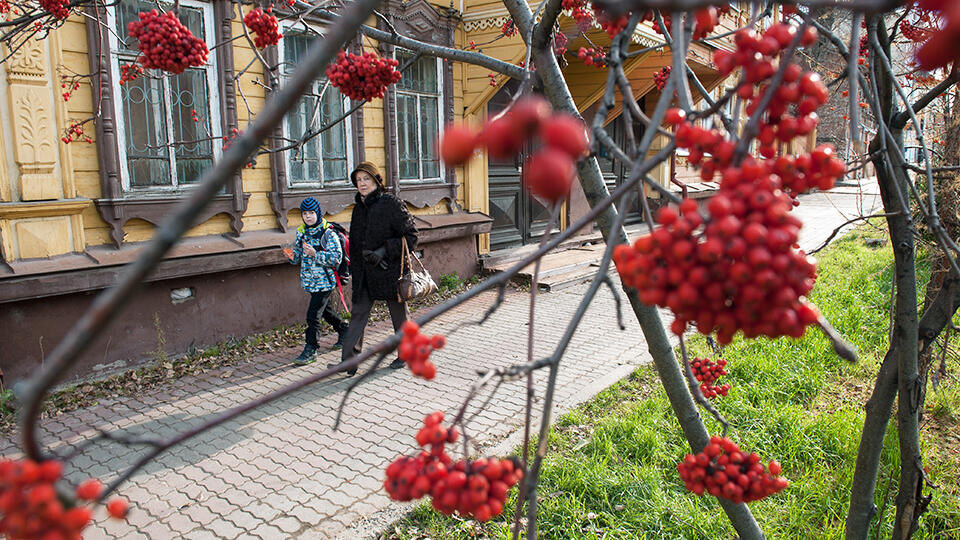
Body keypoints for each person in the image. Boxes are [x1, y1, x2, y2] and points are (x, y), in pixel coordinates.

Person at [331, 162, 418, 376]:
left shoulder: (391, 203)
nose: (362, 184)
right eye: (358, 180)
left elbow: (411, 236)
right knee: (358, 313)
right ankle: (348, 362)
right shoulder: (359, 208)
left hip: (389, 270)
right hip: (364, 273)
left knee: (399, 315)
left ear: (376, 180)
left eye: (366, 179)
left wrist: (383, 251)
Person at [285, 197, 349, 365]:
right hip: (310, 280)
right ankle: (344, 330)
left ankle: (311, 348)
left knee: (313, 315)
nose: (308, 217)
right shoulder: (302, 232)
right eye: (304, 213)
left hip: (325, 281)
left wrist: (315, 254)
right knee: (325, 311)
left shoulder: (328, 233)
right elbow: (298, 255)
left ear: (318, 213)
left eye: (311, 213)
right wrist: (292, 256)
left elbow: (336, 258)